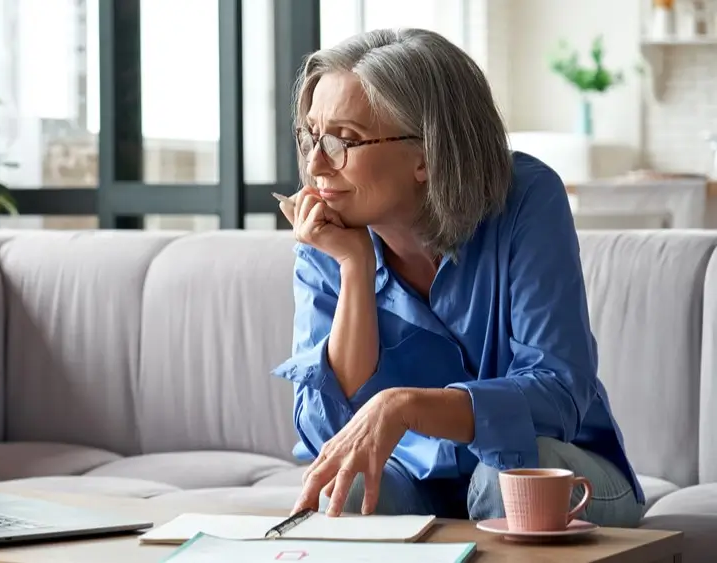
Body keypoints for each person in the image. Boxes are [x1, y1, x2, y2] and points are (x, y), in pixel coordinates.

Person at [271, 27, 645, 527]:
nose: (316, 163)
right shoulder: (328, 235)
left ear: (426, 154)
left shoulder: (527, 199)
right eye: (311, 135)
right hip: (418, 481)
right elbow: (328, 434)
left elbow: (558, 393)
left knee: (506, 476)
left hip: (560, 469)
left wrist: (406, 407)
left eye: (344, 140)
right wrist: (355, 269)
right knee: (348, 488)